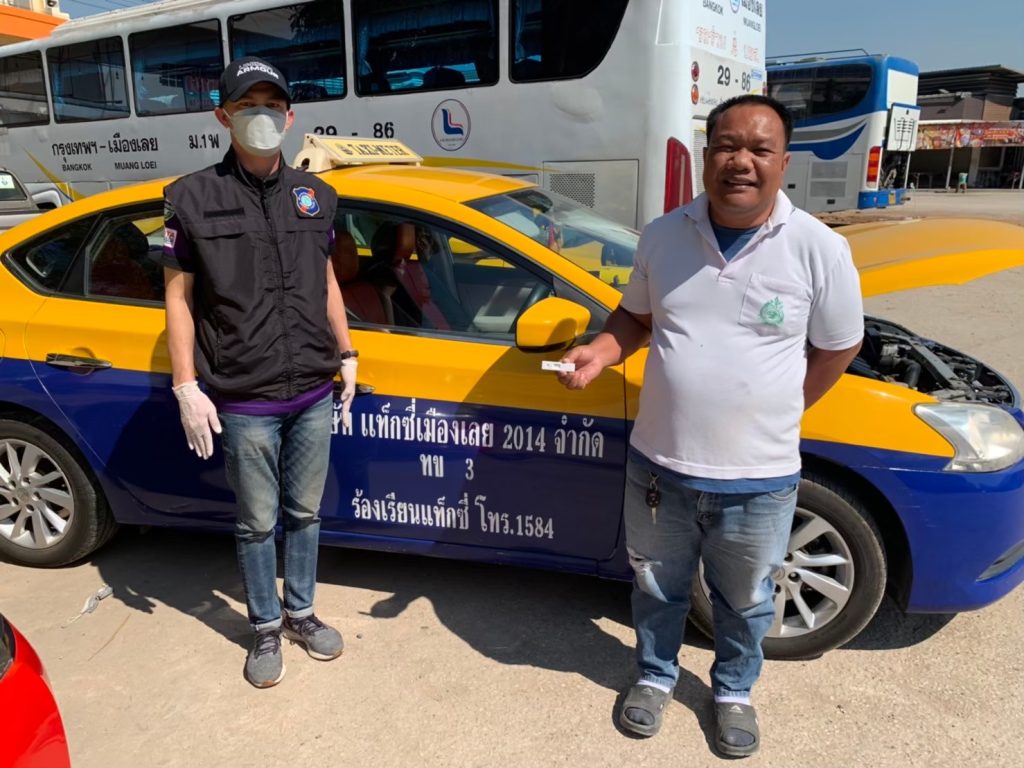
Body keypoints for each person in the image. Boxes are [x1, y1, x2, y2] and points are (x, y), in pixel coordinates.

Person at [558, 94, 863, 757]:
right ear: (706, 155)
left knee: (747, 599)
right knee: (656, 586)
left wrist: (784, 405)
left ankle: (733, 691)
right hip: (659, 468)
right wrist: (601, 351)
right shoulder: (663, 234)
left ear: (784, 162)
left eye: (759, 149)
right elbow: (636, 318)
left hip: (760, 479)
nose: (740, 161)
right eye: (727, 146)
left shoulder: (820, 249)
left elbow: (839, 345)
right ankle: (654, 677)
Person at [160, 56, 358, 688]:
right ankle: (266, 627)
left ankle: (301, 612)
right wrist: (185, 384)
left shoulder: (317, 196)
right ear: (223, 117)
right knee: (256, 523)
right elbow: (177, 297)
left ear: (291, 116)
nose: (263, 116)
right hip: (245, 396)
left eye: (273, 105)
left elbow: (326, 279)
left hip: (312, 391)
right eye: (249, 106)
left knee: (306, 514)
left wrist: (346, 352)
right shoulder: (190, 198)